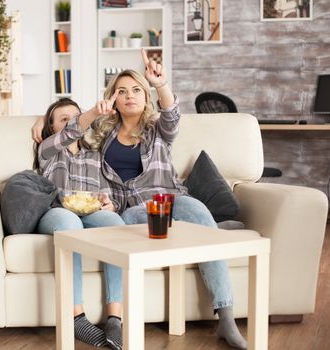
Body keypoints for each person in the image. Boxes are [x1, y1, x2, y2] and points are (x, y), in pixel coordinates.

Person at [85, 49, 247, 350]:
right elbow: (77, 145)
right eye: (122, 91)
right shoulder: (101, 135)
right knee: (124, 226)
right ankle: (213, 228)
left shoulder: (158, 130)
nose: (130, 95)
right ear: (113, 100)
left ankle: (226, 318)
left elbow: (171, 113)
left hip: (168, 201)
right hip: (130, 213)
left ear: (145, 98)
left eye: (136, 90)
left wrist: (160, 83)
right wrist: (43, 120)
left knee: (196, 210)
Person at [34, 97, 125, 350]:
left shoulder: (94, 154)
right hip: (57, 211)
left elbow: (108, 189)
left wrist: (109, 201)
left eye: (77, 116)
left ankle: (115, 317)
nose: (74, 123)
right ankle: (76, 317)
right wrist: (85, 115)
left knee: (115, 224)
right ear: (52, 128)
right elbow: (71, 130)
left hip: (90, 210)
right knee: (69, 225)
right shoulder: (48, 150)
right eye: (65, 119)